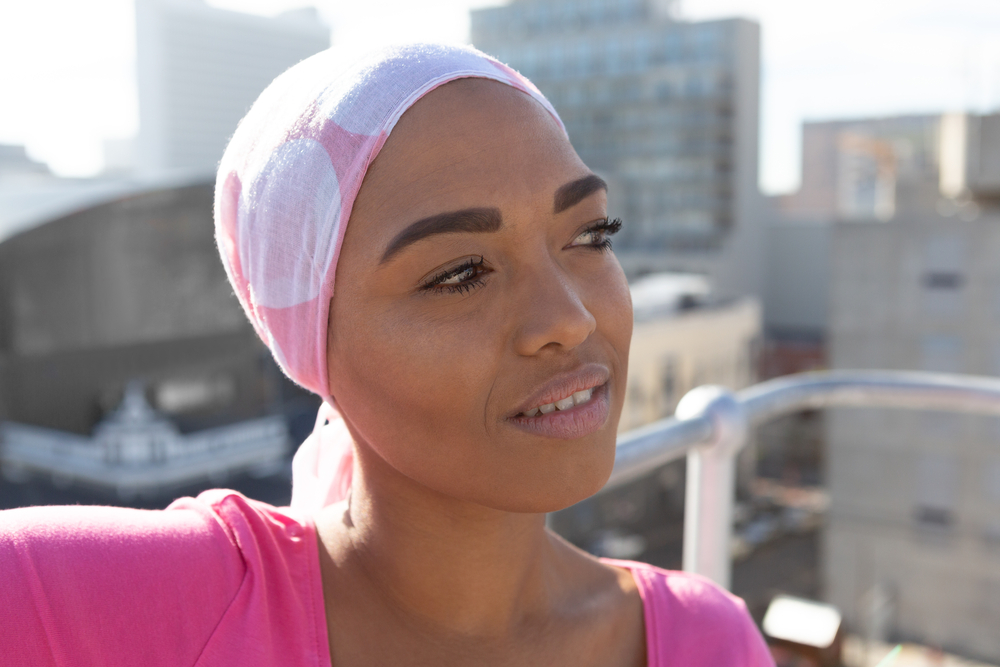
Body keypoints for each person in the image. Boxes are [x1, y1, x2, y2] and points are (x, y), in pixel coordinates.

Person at [0, 44, 774, 666]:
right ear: (312, 340)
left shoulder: (706, 640)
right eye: (459, 274)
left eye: (588, 235)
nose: (568, 320)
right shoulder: (140, 601)